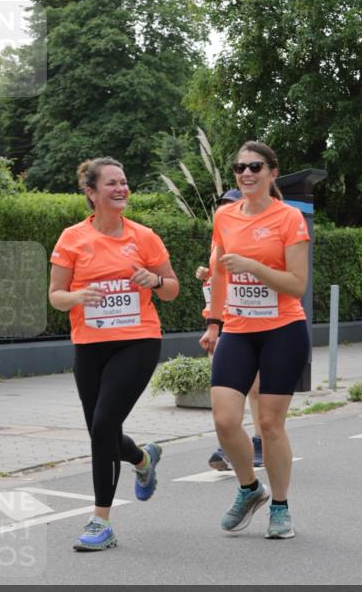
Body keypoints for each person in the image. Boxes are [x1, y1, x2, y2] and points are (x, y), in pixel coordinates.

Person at [49, 157, 179, 551]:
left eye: (124, 182)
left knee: (104, 423)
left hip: (138, 340)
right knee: (100, 431)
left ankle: (100, 521)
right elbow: (56, 296)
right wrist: (78, 296)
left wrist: (154, 280)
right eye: (111, 183)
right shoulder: (72, 238)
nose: (121, 188)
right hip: (89, 344)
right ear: (91, 192)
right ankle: (142, 457)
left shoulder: (144, 237)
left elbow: (172, 288)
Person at [200, 141, 310, 539]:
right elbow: (219, 273)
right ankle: (249, 489)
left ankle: (280, 507)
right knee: (224, 419)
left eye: (255, 167)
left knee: (269, 423)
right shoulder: (225, 216)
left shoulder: (289, 219)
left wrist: (254, 266)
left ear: (272, 173)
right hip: (238, 330)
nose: (246, 173)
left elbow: (296, 285)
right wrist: (214, 322)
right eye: (239, 167)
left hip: (282, 330)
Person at [196, 189, 263, 472]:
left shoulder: (254, 236)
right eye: (221, 205)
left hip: (253, 325)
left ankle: (260, 442)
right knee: (226, 391)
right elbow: (219, 280)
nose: (224, 210)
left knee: (256, 389)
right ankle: (228, 447)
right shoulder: (218, 239)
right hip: (223, 325)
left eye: (230, 204)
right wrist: (206, 274)